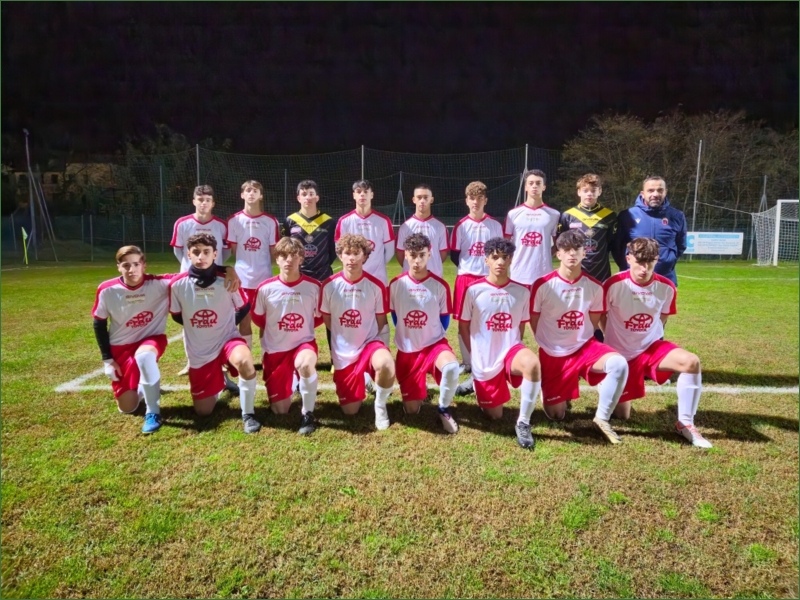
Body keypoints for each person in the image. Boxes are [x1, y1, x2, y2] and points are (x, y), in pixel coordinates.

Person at [92, 245, 240, 434]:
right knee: (127, 408)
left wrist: (228, 269)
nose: (131, 269)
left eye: (136, 264)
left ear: (144, 265)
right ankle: (144, 387)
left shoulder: (160, 283)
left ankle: (153, 412)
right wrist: (108, 360)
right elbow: (99, 324)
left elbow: (199, 269)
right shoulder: (107, 290)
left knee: (144, 356)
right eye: (126, 265)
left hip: (151, 339)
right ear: (118, 267)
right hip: (120, 347)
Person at [602, 237, 712, 448]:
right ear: (628, 259)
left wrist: (649, 337)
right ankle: (609, 384)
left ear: (656, 260)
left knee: (691, 362)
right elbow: (601, 316)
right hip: (621, 355)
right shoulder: (613, 284)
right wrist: (613, 338)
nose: (644, 269)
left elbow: (663, 317)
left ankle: (686, 423)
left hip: (651, 349)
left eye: (649, 262)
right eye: (639, 262)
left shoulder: (667, 287)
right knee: (622, 415)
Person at [530, 230, 629, 445]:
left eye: (576, 249)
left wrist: (577, 339)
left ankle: (601, 418)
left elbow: (593, 323)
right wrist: (550, 342)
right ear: (558, 254)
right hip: (553, 353)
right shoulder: (542, 285)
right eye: (566, 250)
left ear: (585, 253)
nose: (572, 254)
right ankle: (553, 386)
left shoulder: (594, 286)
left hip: (584, 348)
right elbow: (534, 320)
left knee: (619, 364)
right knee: (556, 415)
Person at [168, 233, 262, 434]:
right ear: (188, 254)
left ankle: (248, 413)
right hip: (200, 350)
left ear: (215, 254)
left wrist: (224, 324)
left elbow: (244, 308)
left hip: (228, 339)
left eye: (206, 252)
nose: (201, 256)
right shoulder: (177, 284)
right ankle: (220, 381)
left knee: (244, 360)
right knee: (203, 411)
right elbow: (176, 315)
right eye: (196, 252)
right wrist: (201, 326)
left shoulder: (227, 280)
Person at [458, 237, 543, 450]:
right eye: (495, 257)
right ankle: (477, 382)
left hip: (511, 352)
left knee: (532, 364)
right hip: (485, 358)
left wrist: (516, 347)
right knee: (495, 415)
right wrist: (474, 356)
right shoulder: (473, 290)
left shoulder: (522, 291)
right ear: (486, 260)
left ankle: (523, 423)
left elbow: (520, 327)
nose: (500, 262)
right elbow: (463, 327)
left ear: (511, 260)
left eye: (505, 257)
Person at [319, 233, 396, 430]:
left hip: (369, 344)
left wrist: (364, 336)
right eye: (347, 253)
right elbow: (327, 319)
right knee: (350, 411)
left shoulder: (375, 286)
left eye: (356, 253)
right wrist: (346, 335)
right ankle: (363, 377)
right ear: (340, 255)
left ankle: (380, 406)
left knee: (386, 363)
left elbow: (381, 321)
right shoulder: (329, 285)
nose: (351, 258)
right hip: (343, 352)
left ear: (365, 256)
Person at [389, 233, 460, 433]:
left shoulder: (440, 285)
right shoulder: (395, 284)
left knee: (451, 367)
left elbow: (444, 319)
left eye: (422, 255)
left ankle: (443, 409)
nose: (417, 260)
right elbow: (395, 315)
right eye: (413, 255)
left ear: (429, 254)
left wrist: (429, 335)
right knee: (412, 410)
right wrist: (410, 333)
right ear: (405, 255)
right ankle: (418, 388)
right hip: (408, 350)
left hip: (433, 345)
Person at [251, 237, 321, 435]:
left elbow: (319, 317)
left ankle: (308, 414)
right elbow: (258, 318)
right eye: (283, 256)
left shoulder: (313, 286)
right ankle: (293, 380)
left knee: (305, 364)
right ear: (277, 259)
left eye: (294, 255)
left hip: (303, 344)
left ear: (301, 259)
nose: (288, 260)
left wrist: (301, 327)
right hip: (276, 349)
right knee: (280, 410)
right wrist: (278, 329)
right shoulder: (265, 288)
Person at [170, 184, 235, 388]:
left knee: (216, 318)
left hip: (214, 277)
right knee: (191, 320)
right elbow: (178, 250)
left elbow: (225, 252)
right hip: (189, 278)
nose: (203, 203)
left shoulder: (221, 225)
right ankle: (191, 361)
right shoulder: (182, 223)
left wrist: (217, 266)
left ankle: (221, 362)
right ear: (194, 201)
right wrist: (188, 267)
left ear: (213, 203)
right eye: (200, 199)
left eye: (207, 200)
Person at [449, 181, 504, 391]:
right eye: (472, 198)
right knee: (464, 321)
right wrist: (469, 267)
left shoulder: (495, 225)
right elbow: (455, 255)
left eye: (480, 198)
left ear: (485, 200)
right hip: (465, 278)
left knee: (485, 321)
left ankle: (487, 358)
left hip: (487, 279)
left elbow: (499, 254)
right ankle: (467, 361)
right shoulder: (461, 225)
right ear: (466, 201)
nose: (476, 202)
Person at [284, 179, 337, 354]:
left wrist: (321, 265)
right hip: (299, 277)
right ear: (298, 198)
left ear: (317, 197)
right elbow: (286, 248)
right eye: (304, 194)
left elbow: (332, 251)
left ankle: (335, 359)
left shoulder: (328, 222)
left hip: (323, 276)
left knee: (330, 317)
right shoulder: (290, 221)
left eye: (311, 194)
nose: (308, 197)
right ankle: (297, 354)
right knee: (298, 317)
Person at [227, 180, 280, 353]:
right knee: (244, 319)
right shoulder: (234, 220)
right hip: (242, 280)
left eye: (255, 190)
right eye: (248, 190)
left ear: (261, 195)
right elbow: (234, 250)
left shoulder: (270, 221)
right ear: (242, 195)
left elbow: (273, 251)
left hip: (264, 279)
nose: (251, 193)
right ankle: (247, 357)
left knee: (266, 321)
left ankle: (266, 357)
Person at [613, 176, 687, 286]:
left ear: (665, 192)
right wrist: (627, 266)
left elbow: (681, 245)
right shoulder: (627, 215)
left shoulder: (677, 216)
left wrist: (668, 261)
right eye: (651, 190)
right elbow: (617, 247)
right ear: (643, 193)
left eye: (660, 190)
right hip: (633, 280)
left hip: (665, 277)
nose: (655, 194)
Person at [503, 169, 560, 286]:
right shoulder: (513, 214)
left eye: (538, 183)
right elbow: (505, 243)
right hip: (518, 275)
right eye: (531, 183)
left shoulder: (554, 215)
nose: (534, 186)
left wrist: (544, 256)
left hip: (544, 275)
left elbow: (558, 244)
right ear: (525, 187)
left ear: (544, 187)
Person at [557, 173, 618, 282]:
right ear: (579, 192)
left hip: (601, 271)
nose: (589, 194)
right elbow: (562, 244)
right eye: (585, 191)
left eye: (593, 190)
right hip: (576, 270)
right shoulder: (568, 216)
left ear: (599, 191)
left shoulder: (609, 216)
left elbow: (611, 243)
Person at [334, 179, 395, 287]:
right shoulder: (344, 221)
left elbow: (390, 251)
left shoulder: (383, 221)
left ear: (371, 195)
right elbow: (339, 250)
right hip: (353, 278)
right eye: (359, 191)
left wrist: (377, 265)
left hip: (378, 278)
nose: (362, 194)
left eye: (366, 191)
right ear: (354, 195)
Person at [395, 184, 449, 277]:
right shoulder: (405, 227)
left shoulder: (440, 227)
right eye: (419, 197)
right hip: (411, 278)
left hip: (434, 277)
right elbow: (400, 254)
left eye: (426, 197)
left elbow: (443, 255)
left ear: (431, 199)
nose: (422, 201)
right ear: (414, 200)